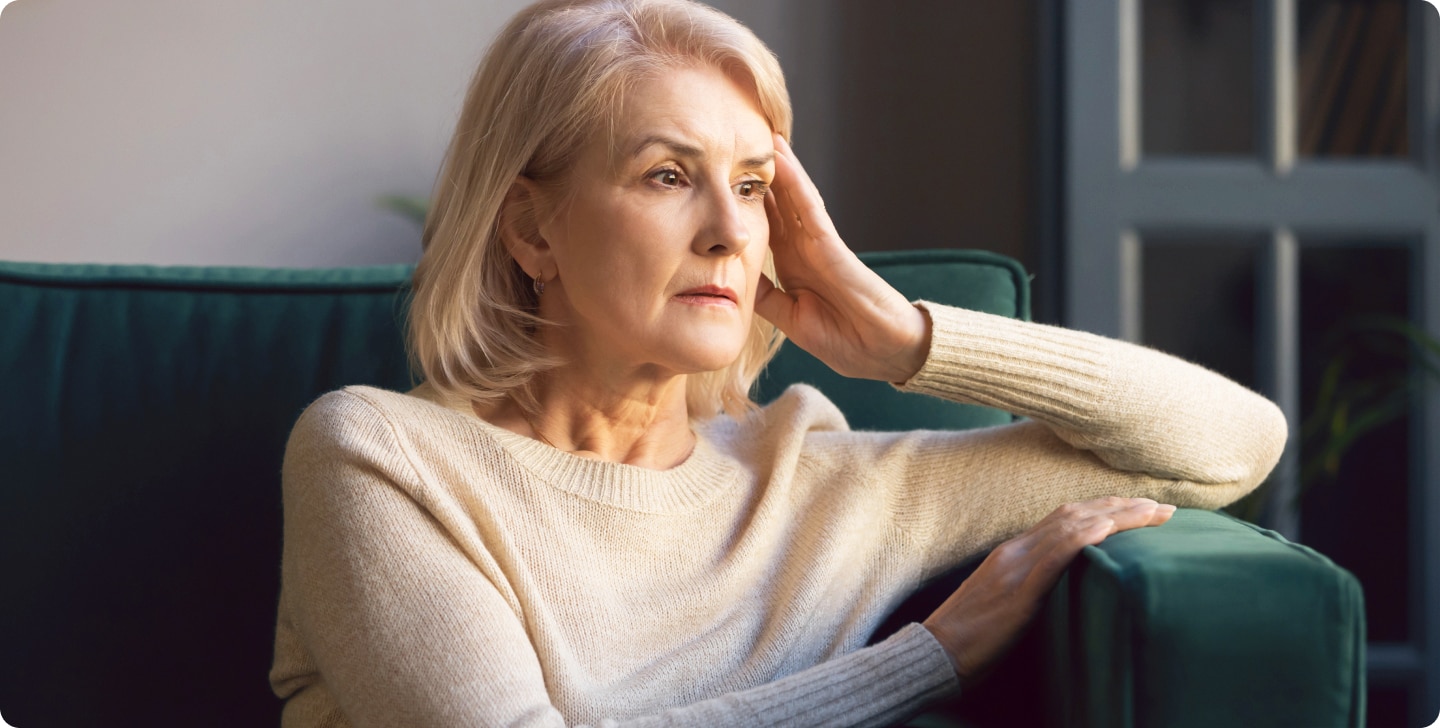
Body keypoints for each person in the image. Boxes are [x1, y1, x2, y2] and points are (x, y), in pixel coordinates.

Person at [267, 0, 1288, 725]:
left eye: (753, 186)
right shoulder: (380, 457)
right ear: (531, 229)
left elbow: (1234, 442)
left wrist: (907, 339)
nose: (726, 231)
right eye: (668, 174)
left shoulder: (811, 479)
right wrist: (924, 661)